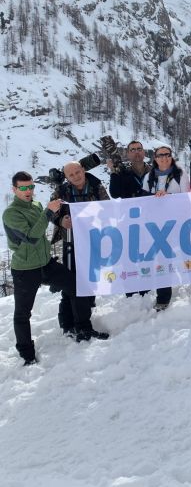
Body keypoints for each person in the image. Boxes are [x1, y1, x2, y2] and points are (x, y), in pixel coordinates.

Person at [3, 172, 108, 365]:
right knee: (23, 313)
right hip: (26, 269)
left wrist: (60, 218)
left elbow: (46, 225)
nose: (28, 191)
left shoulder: (35, 205)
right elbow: (32, 237)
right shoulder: (11, 213)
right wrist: (48, 212)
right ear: (14, 189)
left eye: (31, 186)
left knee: (78, 287)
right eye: (23, 188)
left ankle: (83, 329)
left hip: (46, 263)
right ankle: (27, 355)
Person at [52, 160, 110, 316]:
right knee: (71, 278)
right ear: (66, 177)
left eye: (77, 172)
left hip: (93, 238)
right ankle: (68, 318)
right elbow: (50, 212)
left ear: (83, 170)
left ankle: (87, 308)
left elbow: (108, 208)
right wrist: (61, 221)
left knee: (91, 274)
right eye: (71, 175)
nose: (75, 176)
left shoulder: (96, 187)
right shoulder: (61, 191)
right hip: (70, 240)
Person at [142, 145, 191, 310]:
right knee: (162, 260)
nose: (164, 157)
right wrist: (155, 198)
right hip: (157, 226)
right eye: (160, 155)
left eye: (167, 154)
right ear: (155, 158)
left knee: (188, 254)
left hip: (177, 223)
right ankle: (163, 297)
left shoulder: (180, 174)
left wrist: (168, 197)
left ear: (171, 156)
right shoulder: (148, 177)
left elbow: (186, 198)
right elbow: (143, 201)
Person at [107, 141, 151, 296]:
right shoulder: (122, 172)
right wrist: (113, 172)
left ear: (144, 152)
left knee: (148, 254)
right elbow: (115, 193)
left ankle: (146, 289)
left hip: (150, 219)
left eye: (139, 149)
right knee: (129, 255)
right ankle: (131, 291)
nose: (137, 152)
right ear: (128, 154)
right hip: (129, 220)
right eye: (133, 150)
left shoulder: (153, 171)